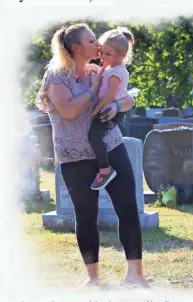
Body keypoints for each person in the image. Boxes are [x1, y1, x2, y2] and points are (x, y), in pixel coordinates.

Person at [35, 22, 149, 288]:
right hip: (75, 156)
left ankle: (135, 275)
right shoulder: (56, 77)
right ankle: (94, 279)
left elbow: (129, 97)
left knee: (128, 209)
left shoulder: (101, 68)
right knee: (86, 216)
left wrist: (118, 104)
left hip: (111, 147)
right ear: (76, 48)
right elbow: (69, 112)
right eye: (91, 41)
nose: (98, 45)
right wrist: (93, 87)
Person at [88, 27, 134, 190]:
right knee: (94, 136)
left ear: (121, 55)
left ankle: (105, 169)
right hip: (105, 108)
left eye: (107, 54)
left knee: (93, 136)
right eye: (101, 53)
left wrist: (95, 111)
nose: (102, 57)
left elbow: (109, 96)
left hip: (109, 112)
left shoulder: (117, 72)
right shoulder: (110, 69)